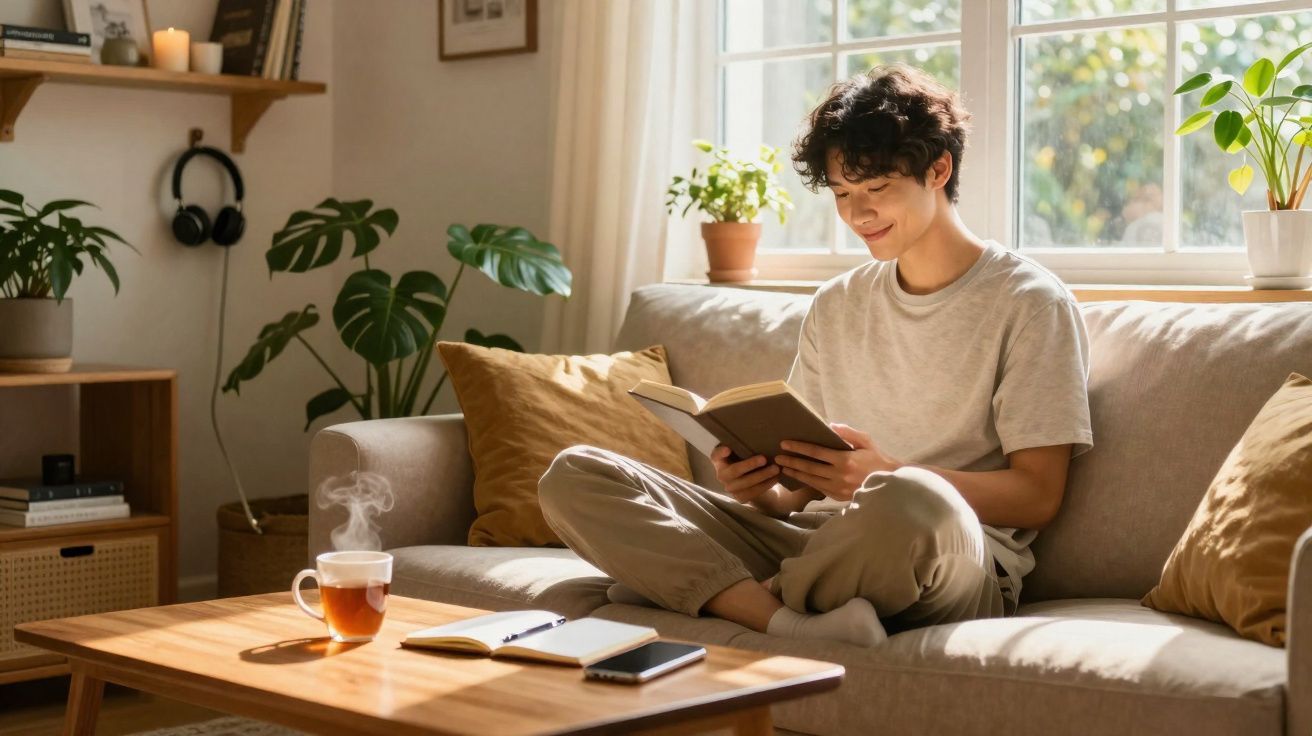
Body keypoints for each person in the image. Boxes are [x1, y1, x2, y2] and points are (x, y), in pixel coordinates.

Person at [537, 64, 1093, 648]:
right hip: (816, 543)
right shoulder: (837, 303)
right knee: (575, 474)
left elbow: (1038, 495)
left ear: (939, 169)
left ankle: (704, 591)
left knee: (912, 499)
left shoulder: (1030, 302)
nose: (858, 215)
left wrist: (888, 473)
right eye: (843, 194)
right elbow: (793, 496)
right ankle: (783, 618)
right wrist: (758, 488)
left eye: (877, 189)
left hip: (945, 552)